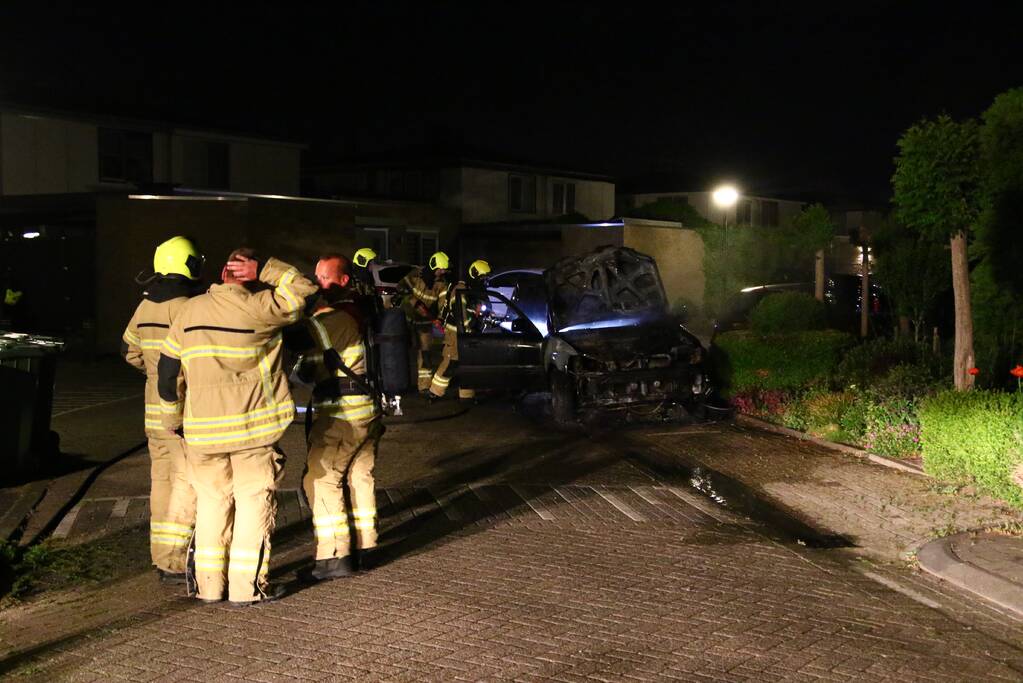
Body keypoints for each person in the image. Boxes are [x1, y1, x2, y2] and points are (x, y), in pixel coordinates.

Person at [157, 248, 317, 606]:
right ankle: (246, 589)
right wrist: (267, 267)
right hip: (253, 433)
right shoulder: (262, 307)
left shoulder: (187, 312)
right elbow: (303, 287)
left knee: (211, 506)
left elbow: (168, 376)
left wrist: (173, 421)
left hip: (202, 434)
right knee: (253, 505)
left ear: (222, 272)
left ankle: (209, 588)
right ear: (251, 274)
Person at [291, 253, 383, 581]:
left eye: (324, 278)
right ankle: (366, 547)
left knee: (322, 477)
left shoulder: (340, 317)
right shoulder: (362, 308)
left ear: (343, 280)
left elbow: (297, 339)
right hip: (365, 411)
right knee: (360, 476)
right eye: (315, 277)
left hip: (343, 414)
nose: (318, 284)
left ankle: (333, 557)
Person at [121, 236, 203, 583]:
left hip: (152, 406)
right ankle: (176, 559)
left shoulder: (145, 306)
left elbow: (129, 352)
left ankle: (161, 555)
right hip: (180, 407)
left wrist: (152, 373)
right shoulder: (187, 307)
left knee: (162, 480)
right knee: (187, 481)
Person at [428, 259, 490, 401]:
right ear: (474, 276)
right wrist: (474, 320)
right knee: (450, 362)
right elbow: (461, 317)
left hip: (465, 333)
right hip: (456, 333)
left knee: (467, 363)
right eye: (482, 278)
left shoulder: (469, 291)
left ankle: (467, 395)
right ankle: (434, 392)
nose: (484, 282)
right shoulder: (460, 290)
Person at [396, 251, 449, 392]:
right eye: (440, 269)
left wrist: (439, 319)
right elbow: (401, 288)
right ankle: (398, 383)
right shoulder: (414, 275)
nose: (442, 272)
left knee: (425, 354)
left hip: (425, 323)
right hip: (406, 320)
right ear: (433, 266)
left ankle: (424, 385)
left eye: (444, 269)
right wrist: (415, 303)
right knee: (400, 352)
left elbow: (443, 304)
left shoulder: (441, 284)